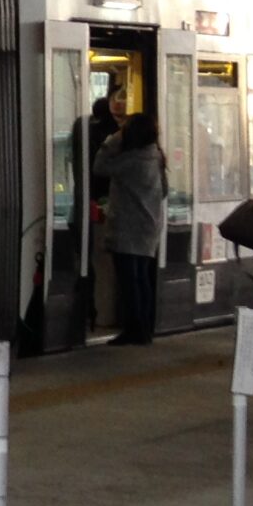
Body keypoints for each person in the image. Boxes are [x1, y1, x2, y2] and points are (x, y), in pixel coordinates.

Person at [92, 112, 168, 345]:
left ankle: (134, 330)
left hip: (128, 228)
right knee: (141, 278)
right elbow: (164, 191)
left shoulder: (131, 159)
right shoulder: (156, 157)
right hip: (149, 226)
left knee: (129, 281)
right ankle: (143, 328)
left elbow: (99, 166)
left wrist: (112, 139)